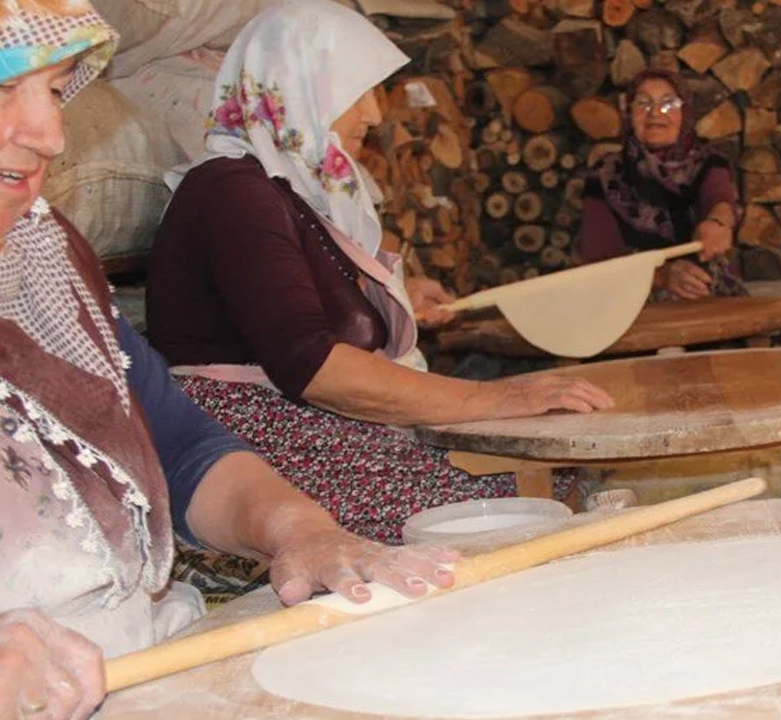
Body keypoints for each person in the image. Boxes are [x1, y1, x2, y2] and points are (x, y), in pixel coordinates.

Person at [0, 3, 458, 718]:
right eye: (5, 88)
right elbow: (308, 359)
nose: (51, 135)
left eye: (57, 91)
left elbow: (177, 443)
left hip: (149, 662)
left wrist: (298, 529)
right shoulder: (230, 191)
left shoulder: (43, 253)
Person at [145, 0, 614, 545]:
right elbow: (312, 365)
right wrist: (495, 399)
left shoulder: (283, 191)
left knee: (563, 484)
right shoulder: (232, 193)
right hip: (257, 439)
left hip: (309, 427)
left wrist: (399, 295)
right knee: (523, 510)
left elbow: (292, 298)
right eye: (356, 92)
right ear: (299, 85)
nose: (373, 114)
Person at [579, 68, 743, 301]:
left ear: (685, 112)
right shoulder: (605, 175)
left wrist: (717, 223)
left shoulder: (707, 163)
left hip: (705, 296)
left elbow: (719, 199)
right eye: (643, 103)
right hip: (632, 305)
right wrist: (660, 277)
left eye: (668, 103)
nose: (655, 113)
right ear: (629, 112)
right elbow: (598, 261)